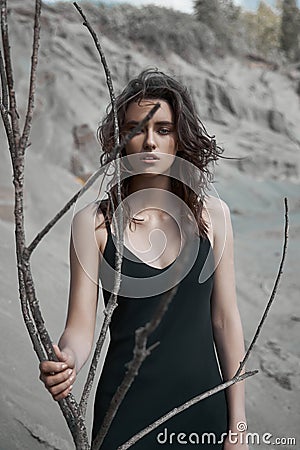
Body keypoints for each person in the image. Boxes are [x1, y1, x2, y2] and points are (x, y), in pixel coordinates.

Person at [39, 69, 248, 449]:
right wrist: (66, 359)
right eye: (136, 128)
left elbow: (225, 320)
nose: (150, 141)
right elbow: (80, 328)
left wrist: (238, 424)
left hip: (202, 410)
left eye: (164, 129)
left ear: (179, 140)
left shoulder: (213, 217)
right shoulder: (94, 224)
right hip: (124, 413)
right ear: (122, 140)